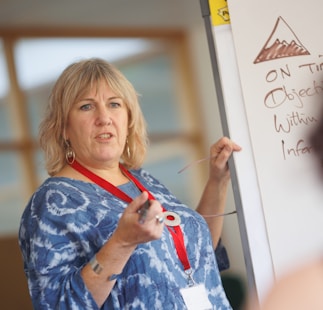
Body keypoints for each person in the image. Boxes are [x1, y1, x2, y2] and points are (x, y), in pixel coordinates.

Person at [18, 58, 241, 309]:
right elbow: (59, 305)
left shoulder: (144, 180)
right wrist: (122, 242)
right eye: (86, 107)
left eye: (114, 104)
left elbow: (199, 257)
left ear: (128, 119)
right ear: (63, 128)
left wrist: (218, 181)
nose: (104, 118)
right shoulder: (52, 201)